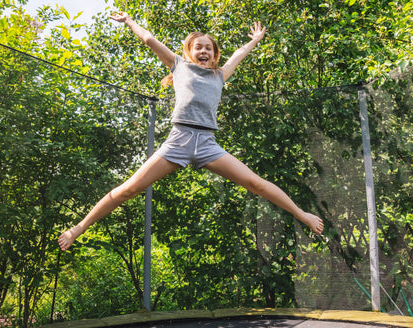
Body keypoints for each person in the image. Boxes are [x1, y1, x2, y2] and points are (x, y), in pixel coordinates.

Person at [58, 12, 324, 251]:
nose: (204, 51)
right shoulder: (179, 66)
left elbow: (238, 55)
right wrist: (129, 21)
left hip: (207, 143)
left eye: (209, 48)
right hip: (179, 140)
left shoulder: (220, 75)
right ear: (189, 51)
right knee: (128, 189)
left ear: (215, 54)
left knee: (255, 183)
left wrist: (255, 40)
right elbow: (149, 39)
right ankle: (78, 228)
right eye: (199, 47)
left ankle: (303, 215)